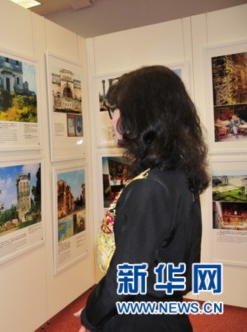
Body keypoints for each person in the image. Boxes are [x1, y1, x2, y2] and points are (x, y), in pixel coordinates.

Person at [74, 65, 210, 331]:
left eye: (115, 110)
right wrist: (101, 308)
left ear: (141, 115)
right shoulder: (176, 174)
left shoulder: (150, 188)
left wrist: (91, 318)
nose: (111, 119)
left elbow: (125, 275)